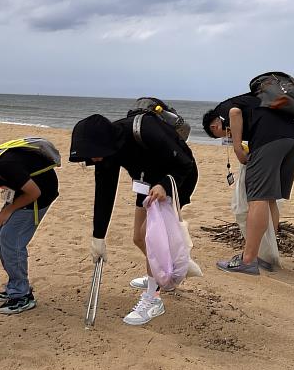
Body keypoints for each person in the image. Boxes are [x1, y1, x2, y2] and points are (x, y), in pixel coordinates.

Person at [69, 113, 198, 326]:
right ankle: (170, 269)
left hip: (177, 178)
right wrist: (98, 237)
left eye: (93, 156)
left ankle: (153, 299)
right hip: (146, 181)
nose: (93, 161)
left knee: (151, 236)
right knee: (138, 237)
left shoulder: (145, 129)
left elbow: (185, 163)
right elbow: (104, 193)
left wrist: (165, 184)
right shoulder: (104, 151)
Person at [203, 96, 294, 275]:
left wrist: (236, 148)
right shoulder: (253, 102)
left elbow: (234, 113)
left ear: (215, 127)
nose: (228, 136)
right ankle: (266, 256)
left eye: (223, 135)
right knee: (270, 198)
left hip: (269, 140)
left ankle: (249, 260)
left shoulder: (223, 111)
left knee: (257, 197)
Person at [0, 146, 59, 315]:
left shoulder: (4, 166)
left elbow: (34, 192)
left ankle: (23, 295)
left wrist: (9, 209)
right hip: (23, 192)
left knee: (10, 237)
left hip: (40, 193)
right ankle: (16, 283)